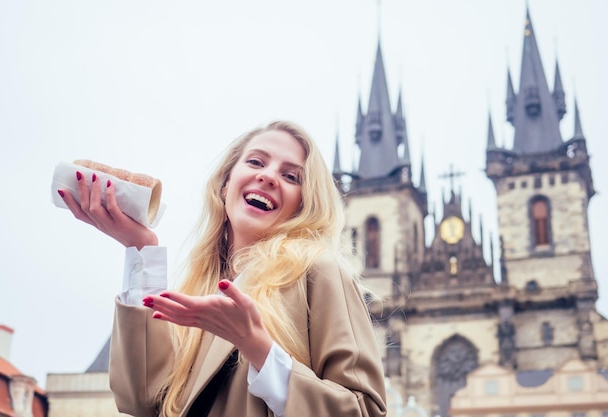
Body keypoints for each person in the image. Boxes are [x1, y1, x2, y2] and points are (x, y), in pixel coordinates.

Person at [58, 120, 387, 417]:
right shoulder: (198, 289)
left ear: (303, 204)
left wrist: (257, 346)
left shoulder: (318, 270)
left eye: (291, 176)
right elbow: (142, 401)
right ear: (225, 185)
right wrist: (141, 249)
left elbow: (365, 410)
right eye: (256, 161)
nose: (268, 176)